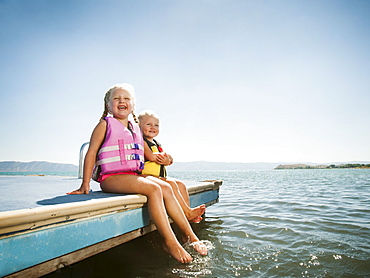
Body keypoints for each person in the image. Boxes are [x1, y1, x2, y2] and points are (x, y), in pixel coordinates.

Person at [67, 83, 207, 263]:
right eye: (116, 98)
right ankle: (169, 242)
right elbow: (92, 152)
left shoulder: (135, 130)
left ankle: (190, 236)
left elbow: (150, 155)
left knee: (166, 186)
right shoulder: (104, 125)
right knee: (154, 189)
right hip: (112, 178)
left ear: (132, 105)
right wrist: (85, 184)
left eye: (126, 98)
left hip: (132, 176)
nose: (121, 101)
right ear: (108, 105)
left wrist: (167, 159)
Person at [138, 110, 205, 223]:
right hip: (145, 177)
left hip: (157, 177)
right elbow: (151, 156)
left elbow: (169, 158)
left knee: (181, 185)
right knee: (172, 185)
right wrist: (164, 159)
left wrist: (168, 159)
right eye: (148, 124)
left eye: (156, 125)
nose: (153, 127)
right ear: (138, 126)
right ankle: (188, 213)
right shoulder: (141, 141)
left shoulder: (156, 143)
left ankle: (186, 213)